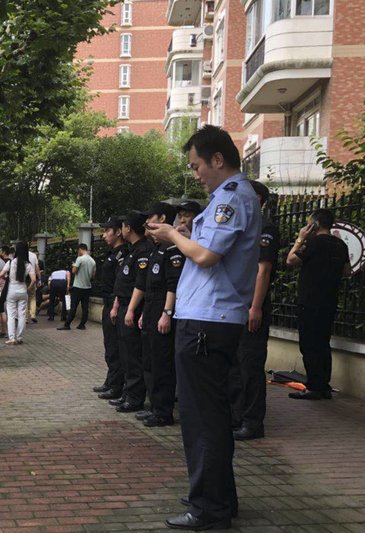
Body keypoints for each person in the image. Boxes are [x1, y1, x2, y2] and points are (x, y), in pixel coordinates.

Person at [148, 125, 261, 530]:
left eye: (197, 166)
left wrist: (171, 236)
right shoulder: (231, 198)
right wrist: (184, 234)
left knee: (202, 420)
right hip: (210, 320)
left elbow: (208, 256)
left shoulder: (231, 198)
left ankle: (208, 508)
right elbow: (208, 246)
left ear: (217, 159)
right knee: (211, 415)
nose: (195, 174)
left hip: (207, 321)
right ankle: (219, 498)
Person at [227, 180, 279, 440]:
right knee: (235, 365)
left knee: (250, 365)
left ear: (257, 199)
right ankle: (236, 416)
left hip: (252, 306)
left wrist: (255, 307)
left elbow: (263, 270)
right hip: (237, 305)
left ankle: (252, 421)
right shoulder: (244, 226)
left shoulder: (265, 228)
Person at [285, 208, 350, 400]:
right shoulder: (340, 245)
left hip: (310, 300)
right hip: (329, 300)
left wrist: (300, 239)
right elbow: (346, 271)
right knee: (323, 342)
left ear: (314, 225)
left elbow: (290, 260)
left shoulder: (313, 243)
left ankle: (313, 386)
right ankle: (323, 385)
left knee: (309, 344)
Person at [134, 202, 183, 427]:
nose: (146, 222)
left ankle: (163, 412)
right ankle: (154, 407)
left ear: (162, 219)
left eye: (150, 217)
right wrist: (145, 313)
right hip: (151, 309)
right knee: (149, 361)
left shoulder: (172, 249)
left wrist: (167, 313)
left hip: (163, 309)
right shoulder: (155, 249)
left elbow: (173, 285)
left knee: (162, 363)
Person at [109, 211, 152, 414]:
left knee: (133, 354)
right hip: (124, 304)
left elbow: (139, 284)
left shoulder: (143, 251)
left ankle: (135, 397)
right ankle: (128, 392)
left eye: (124, 225)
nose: (121, 229)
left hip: (133, 307)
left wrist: (131, 310)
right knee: (125, 353)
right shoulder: (131, 251)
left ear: (129, 228)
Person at [95, 216, 128, 400]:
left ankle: (116, 385)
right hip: (107, 303)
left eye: (107, 230)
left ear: (118, 232)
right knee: (109, 345)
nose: (104, 234)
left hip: (114, 303)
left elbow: (120, 283)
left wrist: (115, 306)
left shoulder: (123, 254)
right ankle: (111, 380)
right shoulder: (112, 253)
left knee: (115, 347)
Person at [0, 241, 36, 345]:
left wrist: (6, 278)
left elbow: (1, 275)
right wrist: (28, 288)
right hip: (23, 290)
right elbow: (33, 280)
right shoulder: (28, 264)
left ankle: (12, 338)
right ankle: (19, 337)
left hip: (11, 290)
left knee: (11, 315)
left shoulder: (11, 262)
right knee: (22, 315)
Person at [57, 243, 96, 331]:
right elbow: (93, 275)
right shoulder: (93, 261)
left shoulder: (80, 259)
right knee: (85, 307)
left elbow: (74, 271)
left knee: (73, 306)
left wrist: (74, 265)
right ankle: (82, 324)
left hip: (78, 287)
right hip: (87, 287)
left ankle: (67, 324)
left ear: (80, 249)